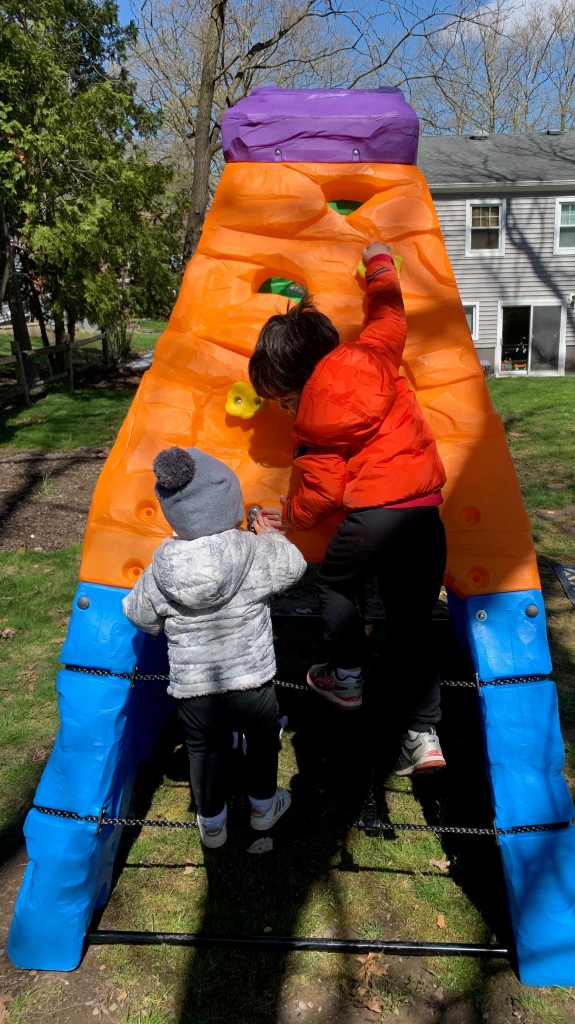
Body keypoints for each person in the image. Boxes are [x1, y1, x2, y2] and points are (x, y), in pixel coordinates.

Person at [248, 241, 448, 776]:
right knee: (412, 626)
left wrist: (288, 516)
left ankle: (346, 678)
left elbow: (324, 495)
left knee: (337, 584)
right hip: (425, 516)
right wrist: (379, 265)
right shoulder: (376, 351)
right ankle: (424, 735)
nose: (286, 411)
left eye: (284, 400)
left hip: (372, 521)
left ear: (299, 384)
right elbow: (389, 311)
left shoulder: (313, 420)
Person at [122, 445, 307, 848]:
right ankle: (263, 807)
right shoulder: (253, 550)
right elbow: (295, 566)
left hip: (195, 690)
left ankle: (212, 824)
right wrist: (270, 537)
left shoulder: (162, 565)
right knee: (263, 741)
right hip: (253, 682)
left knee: (203, 750)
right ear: (229, 502)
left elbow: (139, 614)